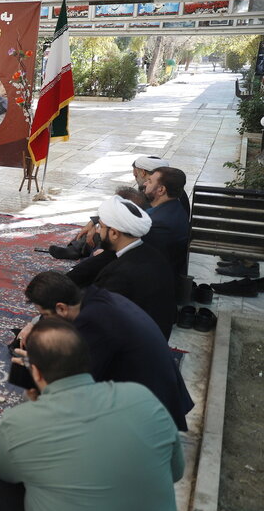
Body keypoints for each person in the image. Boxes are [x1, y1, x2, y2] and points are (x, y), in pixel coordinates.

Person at [0, 318, 185, 511]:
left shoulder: (21, 421)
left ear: (35, 372)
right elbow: (175, 472)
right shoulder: (144, 397)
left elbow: (2, 471)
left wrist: (34, 407)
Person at [24, 271, 194, 431]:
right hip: (165, 391)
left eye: (45, 315)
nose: (45, 321)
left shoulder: (92, 322)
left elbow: (79, 383)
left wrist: (41, 367)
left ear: (61, 308)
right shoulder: (97, 298)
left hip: (153, 411)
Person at [66, 195, 176, 340]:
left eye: (101, 227)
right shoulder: (150, 252)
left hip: (134, 346)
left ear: (114, 233)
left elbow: (97, 319)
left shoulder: (119, 275)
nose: (98, 232)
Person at [142, 166, 190, 277]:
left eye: (150, 181)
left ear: (161, 190)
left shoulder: (159, 223)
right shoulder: (174, 207)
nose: (145, 183)